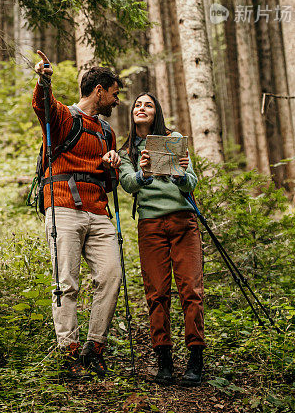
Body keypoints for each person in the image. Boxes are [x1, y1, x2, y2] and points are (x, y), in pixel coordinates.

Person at [32, 50, 123, 380]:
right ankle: (68, 353)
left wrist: (112, 164)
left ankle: (93, 348)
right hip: (63, 207)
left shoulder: (107, 132)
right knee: (65, 282)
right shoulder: (64, 117)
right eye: (114, 94)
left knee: (111, 275)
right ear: (99, 90)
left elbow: (110, 181)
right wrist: (44, 79)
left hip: (99, 212)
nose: (116, 101)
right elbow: (43, 106)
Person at [118, 92, 205, 387]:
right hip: (150, 226)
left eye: (149, 105)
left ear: (157, 113)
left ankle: (195, 359)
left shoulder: (173, 139)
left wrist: (181, 173)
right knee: (157, 293)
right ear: (132, 113)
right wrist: (142, 173)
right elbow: (128, 184)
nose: (142, 108)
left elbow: (191, 182)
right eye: (138, 105)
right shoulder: (127, 150)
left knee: (191, 290)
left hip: (183, 222)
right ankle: (164, 360)